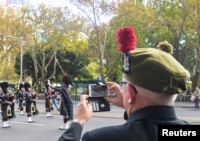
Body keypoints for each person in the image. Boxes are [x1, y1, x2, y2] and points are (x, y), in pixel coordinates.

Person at [58, 26, 194, 141]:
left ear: (130, 92)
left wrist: (79, 121)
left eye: (123, 84)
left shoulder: (99, 138)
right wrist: (129, 105)